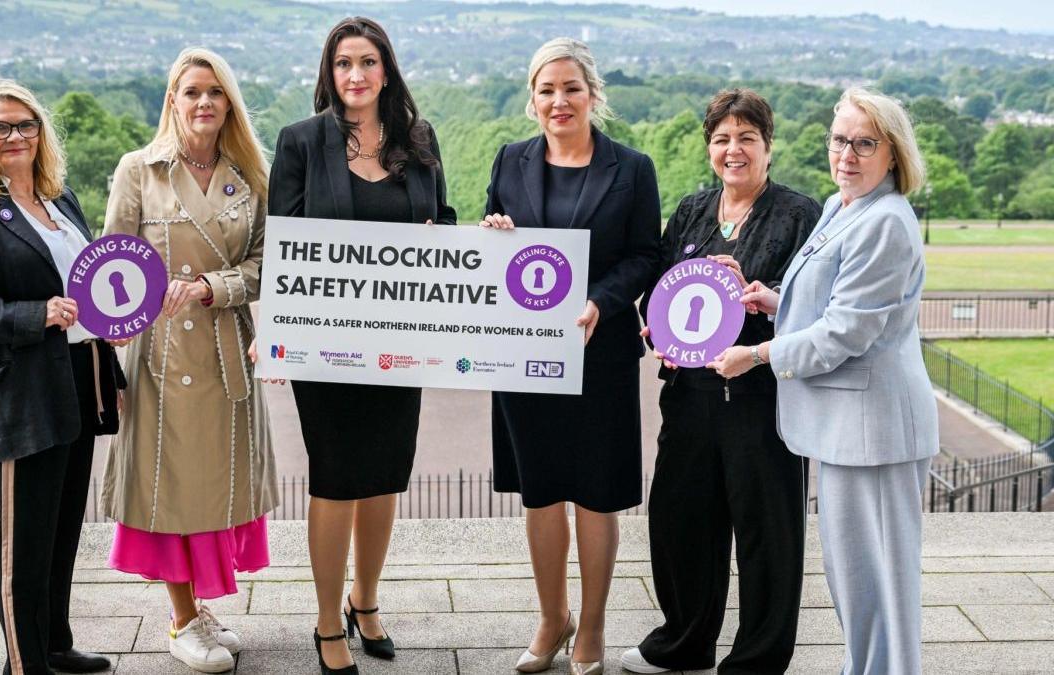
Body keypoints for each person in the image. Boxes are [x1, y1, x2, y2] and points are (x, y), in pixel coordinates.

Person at [707, 87, 938, 675]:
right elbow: (829, 303)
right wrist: (775, 301)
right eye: (840, 140)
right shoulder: (843, 206)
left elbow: (844, 334)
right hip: (847, 430)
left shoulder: (885, 221)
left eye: (865, 143)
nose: (847, 155)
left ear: (893, 153)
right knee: (854, 579)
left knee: (880, 585)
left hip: (875, 433)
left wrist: (756, 354)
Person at [257, 16, 456, 675]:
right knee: (337, 477)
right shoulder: (300, 142)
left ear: (387, 70)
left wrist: (461, 241)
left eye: (367, 62)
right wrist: (278, 336)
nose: (356, 75)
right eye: (344, 63)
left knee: (385, 477)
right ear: (329, 72)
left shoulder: (418, 140)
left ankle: (365, 602)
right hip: (328, 347)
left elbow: (444, 224)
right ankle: (325, 623)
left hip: (403, 342)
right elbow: (282, 244)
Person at [621, 89, 820, 675]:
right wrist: (655, 334)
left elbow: (811, 312)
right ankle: (683, 643)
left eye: (746, 138)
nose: (733, 150)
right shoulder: (691, 211)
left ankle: (756, 660)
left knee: (766, 533)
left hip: (761, 398)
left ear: (768, 147)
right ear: (710, 147)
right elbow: (656, 293)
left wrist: (751, 295)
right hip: (689, 398)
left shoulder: (798, 214)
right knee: (681, 521)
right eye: (722, 139)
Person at [0, 79, 122, 675]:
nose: (14, 137)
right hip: (23, 390)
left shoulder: (62, 203)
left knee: (63, 531)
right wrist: (33, 315)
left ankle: (55, 646)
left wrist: (110, 359)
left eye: (24, 125)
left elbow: (87, 290)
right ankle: (23, 662)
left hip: (79, 380)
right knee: (23, 546)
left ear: (42, 132)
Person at [480, 37, 661, 675]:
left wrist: (601, 301)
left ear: (592, 96)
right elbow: (491, 242)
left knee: (596, 494)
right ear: (532, 101)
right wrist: (494, 234)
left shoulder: (632, 168)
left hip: (599, 351)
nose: (559, 101)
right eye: (547, 90)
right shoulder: (509, 161)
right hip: (524, 357)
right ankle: (551, 620)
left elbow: (646, 256)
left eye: (571, 89)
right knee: (542, 491)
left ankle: (592, 628)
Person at [100, 47, 279, 674]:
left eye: (215, 92)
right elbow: (110, 267)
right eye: (191, 91)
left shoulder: (251, 174)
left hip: (227, 349)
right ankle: (179, 619)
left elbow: (265, 266)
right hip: (161, 355)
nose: (204, 103)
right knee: (169, 486)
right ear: (172, 99)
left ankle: (199, 610)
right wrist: (109, 365)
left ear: (229, 102)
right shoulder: (137, 170)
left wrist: (212, 288)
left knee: (216, 485)